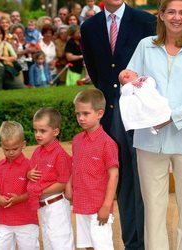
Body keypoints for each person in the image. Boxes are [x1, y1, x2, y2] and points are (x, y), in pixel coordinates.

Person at [126, 0, 182, 249]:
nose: (177, 17)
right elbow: (131, 84)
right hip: (149, 140)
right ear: (161, 15)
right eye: (171, 12)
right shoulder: (145, 46)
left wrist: (172, 116)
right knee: (153, 209)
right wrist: (128, 82)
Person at [80, 0, 156, 248]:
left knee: (143, 181)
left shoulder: (145, 21)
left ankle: (147, 242)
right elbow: (95, 70)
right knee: (122, 183)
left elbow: (151, 67)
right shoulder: (89, 27)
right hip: (111, 118)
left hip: (140, 115)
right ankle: (131, 242)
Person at [65, 88, 119, 249]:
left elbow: (114, 175)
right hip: (81, 204)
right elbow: (75, 165)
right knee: (87, 245)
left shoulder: (107, 143)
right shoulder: (77, 140)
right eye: (77, 114)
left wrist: (105, 206)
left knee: (102, 245)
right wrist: (69, 185)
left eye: (86, 113)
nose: (80, 118)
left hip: (99, 206)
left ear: (100, 113)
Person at [27, 107, 74, 250]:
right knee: (48, 242)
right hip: (43, 206)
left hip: (56, 206)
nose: (38, 135)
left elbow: (63, 183)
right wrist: (29, 174)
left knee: (60, 242)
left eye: (42, 131)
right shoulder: (37, 152)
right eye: (35, 130)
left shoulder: (60, 155)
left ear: (56, 132)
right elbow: (32, 173)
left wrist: (40, 192)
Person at [0, 121, 39, 250]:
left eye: (14, 149)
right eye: (6, 149)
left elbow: (35, 190)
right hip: (4, 220)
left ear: (23, 145)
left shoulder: (30, 166)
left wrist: (19, 199)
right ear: (1, 145)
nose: (10, 152)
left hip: (26, 220)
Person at [118, 69, 171, 133]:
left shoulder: (143, 80)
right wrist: (131, 84)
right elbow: (125, 92)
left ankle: (160, 120)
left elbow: (152, 84)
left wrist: (146, 79)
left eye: (127, 72)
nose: (126, 75)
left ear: (136, 73)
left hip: (152, 98)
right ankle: (152, 125)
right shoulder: (128, 86)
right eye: (123, 77)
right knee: (147, 113)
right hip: (142, 103)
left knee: (159, 107)